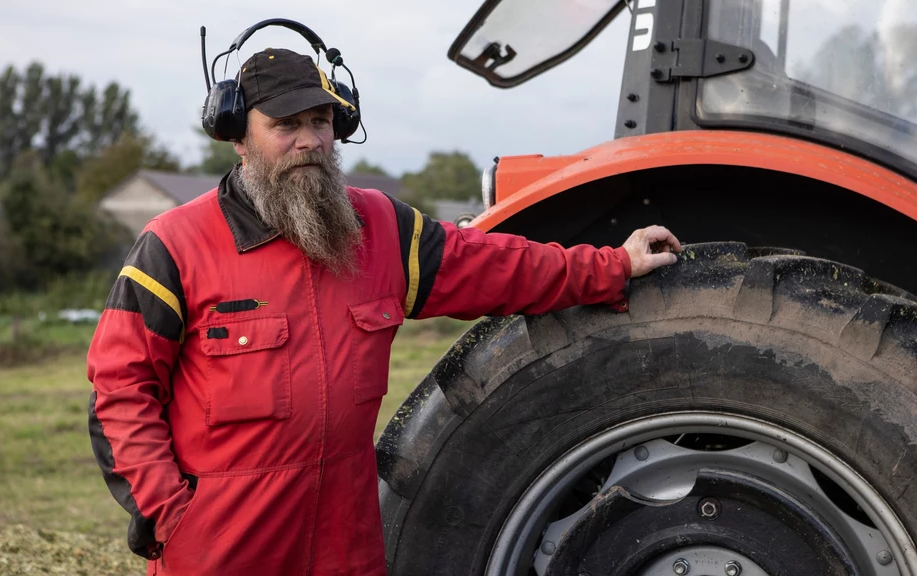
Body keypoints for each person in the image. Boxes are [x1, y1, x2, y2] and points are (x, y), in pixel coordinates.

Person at [86, 46, 682, 576]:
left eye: (321, 121)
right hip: (225, 549)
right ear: (238, 136)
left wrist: (611, 265)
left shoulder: (380, 229)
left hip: (347, 546)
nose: (310, 141)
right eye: (285, 125)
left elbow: (497, 265)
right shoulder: (174, 246)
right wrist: (173, 517)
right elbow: (120, 389)